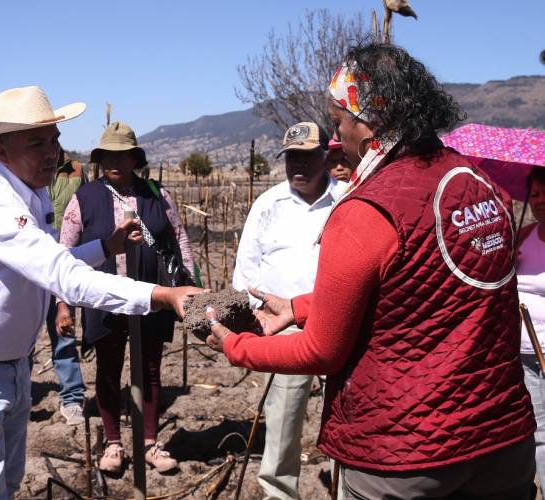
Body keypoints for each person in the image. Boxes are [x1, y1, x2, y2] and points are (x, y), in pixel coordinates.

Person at [206, 42, 536, 499]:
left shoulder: (365, 211)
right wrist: (301, 307)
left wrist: (237, 346)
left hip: (408, 450)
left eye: (340, 120)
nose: (337, 138)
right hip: (501, 435)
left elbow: (323, 353)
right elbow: (423, 294)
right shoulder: (475, 183)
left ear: (370, 120)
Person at [0, 88, 201, 499]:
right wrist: (161, 295)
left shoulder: (27, 191)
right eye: (37, 142)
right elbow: (63, 276)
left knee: (7, 483)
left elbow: (55, 254)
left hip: (10, 365)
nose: (52, 151)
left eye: (53, 139)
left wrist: (105, 247)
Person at [58, 121, 195, 474]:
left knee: (149, 369)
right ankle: (113, 442)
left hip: (152, 296)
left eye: (124, 154)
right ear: (100, 159)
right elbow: (63, 253)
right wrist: (63, 304)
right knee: (107, 370)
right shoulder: (84, 198)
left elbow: (179, 239)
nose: (115, 161)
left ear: (136, 157)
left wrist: (189, 286)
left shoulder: (156, 193)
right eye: (108, 155)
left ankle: (149, 442)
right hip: (104, 299)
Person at [233, 121, 346, 499]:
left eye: (306, 157)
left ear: (325, 156)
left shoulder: (348, 200)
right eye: (291, 158)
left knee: (347, 415)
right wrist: (253, 317)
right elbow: (246, 269)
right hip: (283, 329)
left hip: (340, 322)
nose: (297, 166)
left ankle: (347, 488)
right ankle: (279, 492)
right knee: (282, 419)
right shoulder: (268, 205)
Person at [44, 149, 87, 425]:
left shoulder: (77, 170)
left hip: (65, 261)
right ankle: (17, 396)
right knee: (19, 333)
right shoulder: (24, 170)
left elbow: (87, 211)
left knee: (64, 331)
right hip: (29, 261)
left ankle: (72, 399)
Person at [518, 166, 545, 493]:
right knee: (539, 435)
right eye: (534, 194)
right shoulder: (524, 236)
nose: (539, 201)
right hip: (525, 354)